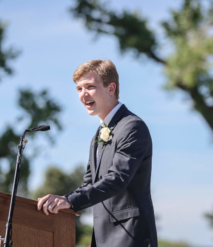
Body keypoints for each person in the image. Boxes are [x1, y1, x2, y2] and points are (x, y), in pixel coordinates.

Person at [37, 59, 157, 247]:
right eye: (79, 89)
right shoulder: (97, 137)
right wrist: (61, 201)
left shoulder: (132, 126)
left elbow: (117, 179)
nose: (83, 95)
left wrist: (69, 200)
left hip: (130, 237)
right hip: (103, 240)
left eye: (90, 87)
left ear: (111, 88)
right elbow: (89, 184)